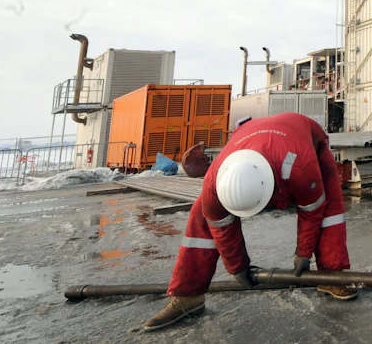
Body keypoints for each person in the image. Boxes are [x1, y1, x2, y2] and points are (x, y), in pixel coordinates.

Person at [144, 113, 354, 331]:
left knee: (329, 203)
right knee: (200, 216)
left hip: (302, 135)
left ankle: (331, 276)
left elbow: (312, 212)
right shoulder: (213, 186)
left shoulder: (299, 169)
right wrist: (238, 268)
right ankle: (188, 296)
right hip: (252, 139)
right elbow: (223, 230)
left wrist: (303, 253)